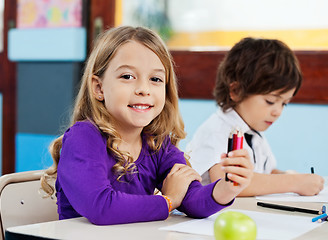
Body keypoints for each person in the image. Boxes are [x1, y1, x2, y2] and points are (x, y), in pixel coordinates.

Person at [40, 26, 253, 225]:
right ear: (98, 88)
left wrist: (227, 187)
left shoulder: (158, 144)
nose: (144, 89)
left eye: (155, 79)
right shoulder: (83, 138)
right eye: (127, 76)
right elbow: (101, 206)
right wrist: (168, 201)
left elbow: (191, 199)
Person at [186, 37, 325, 197]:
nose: (278, 112)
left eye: (284, 104)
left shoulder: (253, 134)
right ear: (236, 91)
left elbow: (266, 172)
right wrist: (295, 183)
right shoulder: (217, 131)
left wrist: (291, 177)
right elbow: (229, 182)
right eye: (270, 101)